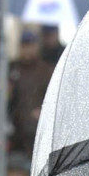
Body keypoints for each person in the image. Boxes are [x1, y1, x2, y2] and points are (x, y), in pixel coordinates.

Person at [8, 28, 53, 159]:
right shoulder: (12, 68)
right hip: (16, 131)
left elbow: (54, 101)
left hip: (37, 131)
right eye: (24, 46)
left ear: (37, 47)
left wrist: (44, 111)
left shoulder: (46, 70)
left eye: (30, 45)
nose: (27, 49)